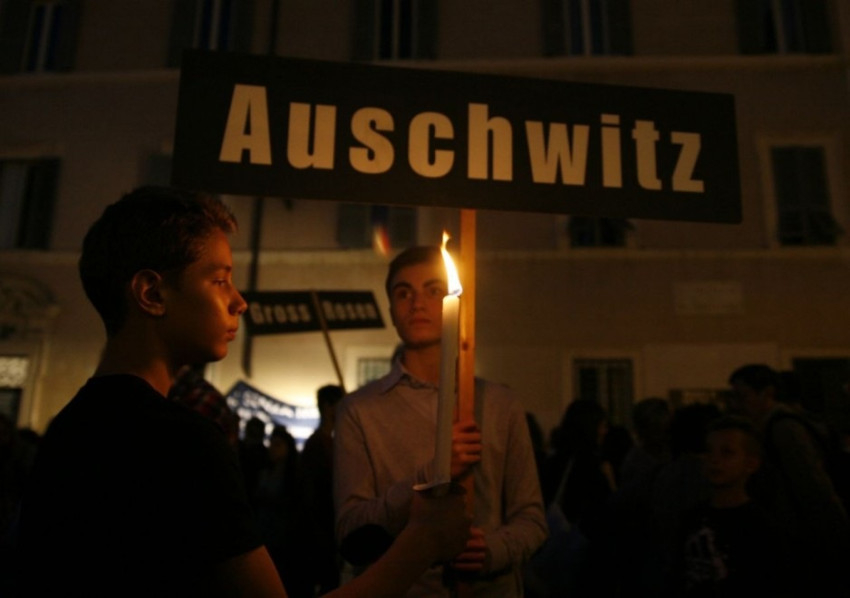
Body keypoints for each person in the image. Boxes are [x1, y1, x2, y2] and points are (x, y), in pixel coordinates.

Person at [11, 186, 470, 598]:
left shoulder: (69, 427)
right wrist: (422, 542)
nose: (239, 301)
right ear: (151, 293)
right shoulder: (182, 442)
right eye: (219, 280)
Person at [334, 245, 547, 597]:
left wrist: (492, 550)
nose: (417, 303)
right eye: (404, 293)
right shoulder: (359, 410)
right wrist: (430, 474)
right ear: (391, 310)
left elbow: (532, 518)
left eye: (434, 291)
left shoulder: (500, 404)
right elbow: (350, 528)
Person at [728, 363, 850, 595]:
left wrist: (837, 535)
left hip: (801, 538)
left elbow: (814, 487)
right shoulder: (778, 426)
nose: (735, 405)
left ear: (767, 393)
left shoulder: (784, 429)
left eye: (742, 397)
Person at [670, 416, 792, 597]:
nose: (714, 459)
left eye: (726, 453)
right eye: (709, 451)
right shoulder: (691, 518)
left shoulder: (762, 526)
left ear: (751, 464)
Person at [299, 384, 345, 596]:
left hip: (327, 527)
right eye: (340, 405)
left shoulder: (331, 443)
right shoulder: (318, 445)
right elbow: (311, 492)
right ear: (328, 407)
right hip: (320, 528)